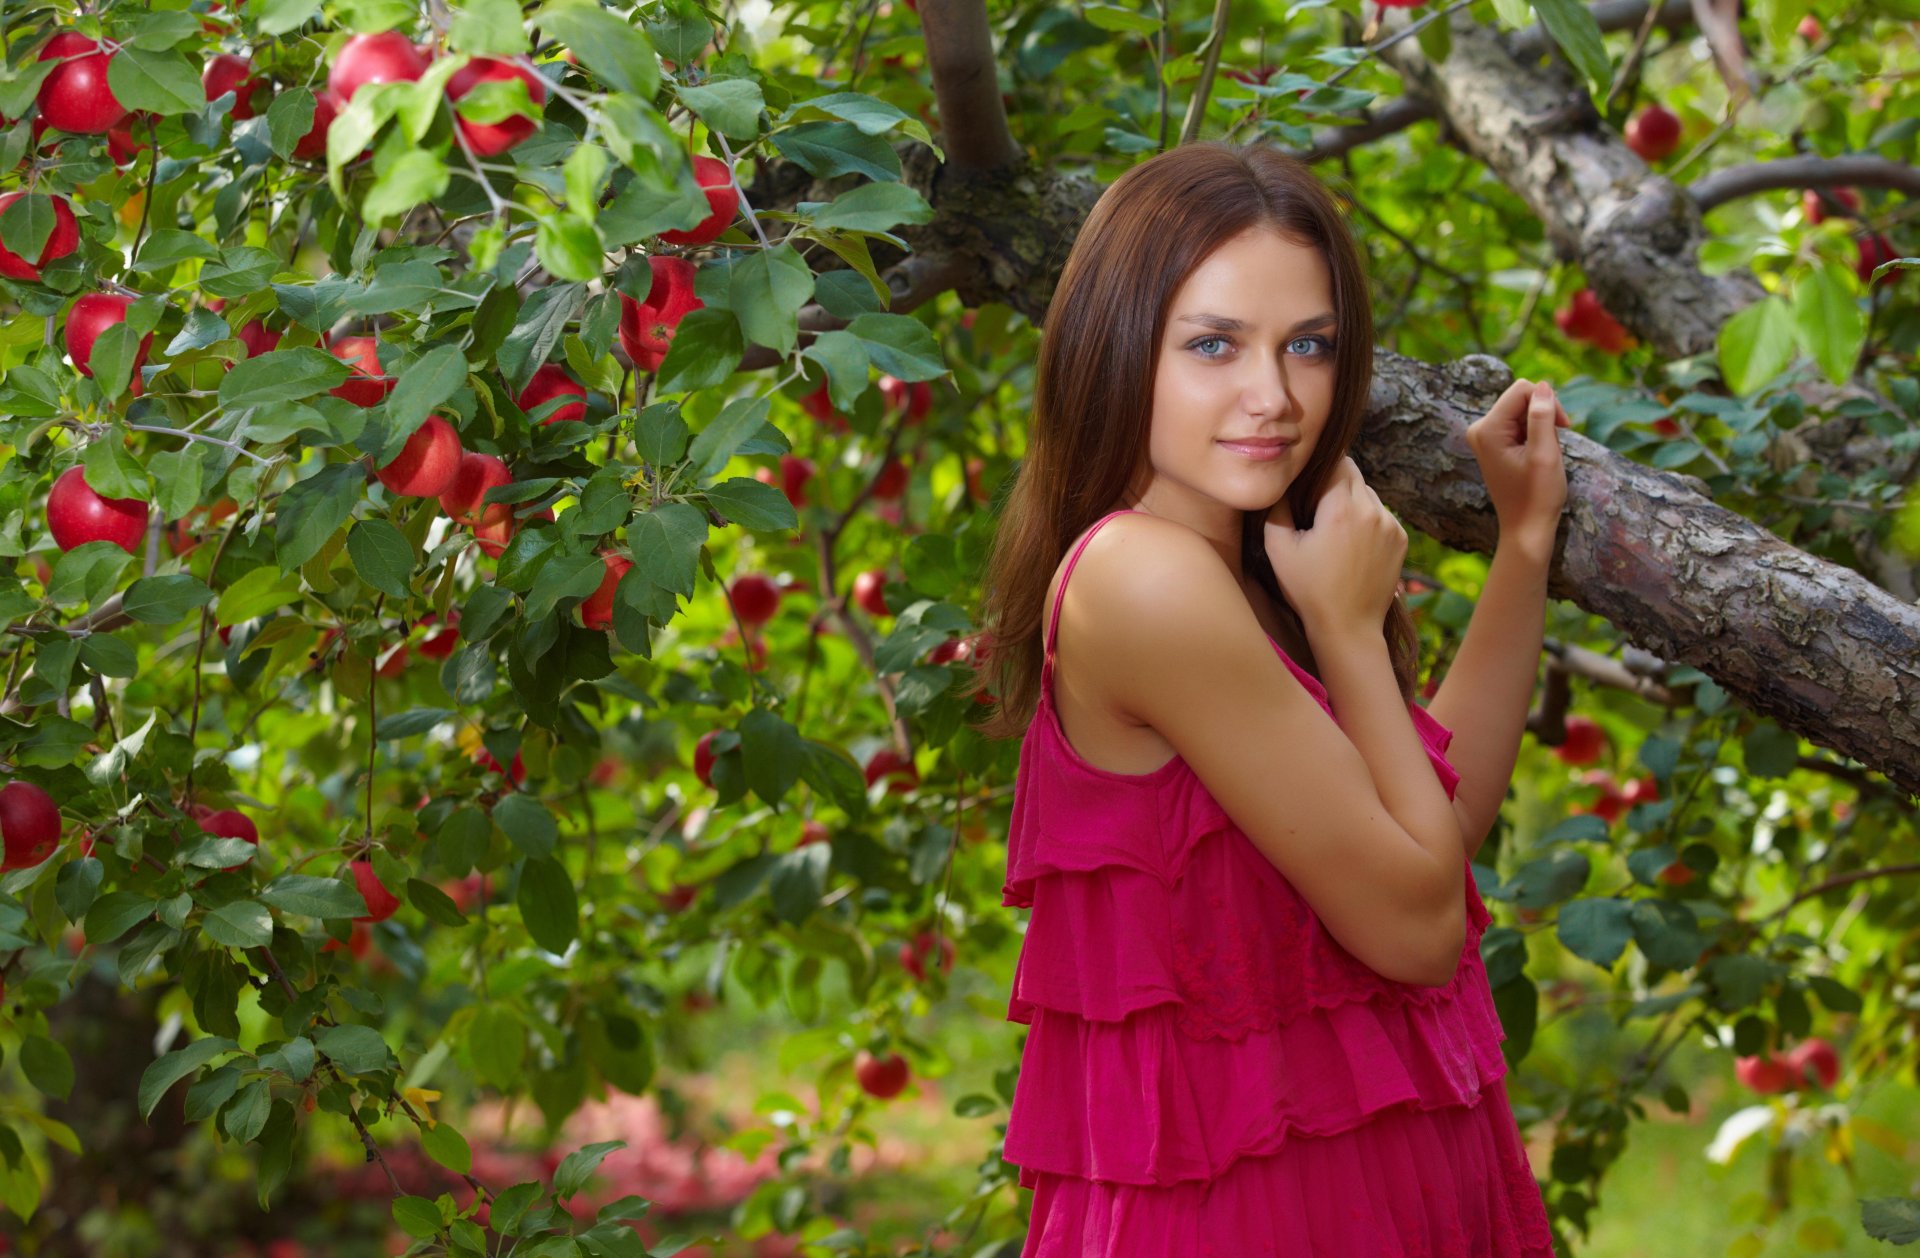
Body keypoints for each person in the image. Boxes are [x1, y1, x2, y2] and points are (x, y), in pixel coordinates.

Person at [969, 140, 1567, 1254]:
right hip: (1258, 1210)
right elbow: (1422, 929)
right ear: (1115, 350)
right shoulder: (1141, 579)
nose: (1275, 398)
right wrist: (1345, 628)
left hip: (1393, 1178)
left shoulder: (1251, 563)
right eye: (1212, 345)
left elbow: (1426, 832)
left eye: (1309, 345)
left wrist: (1522, 548)